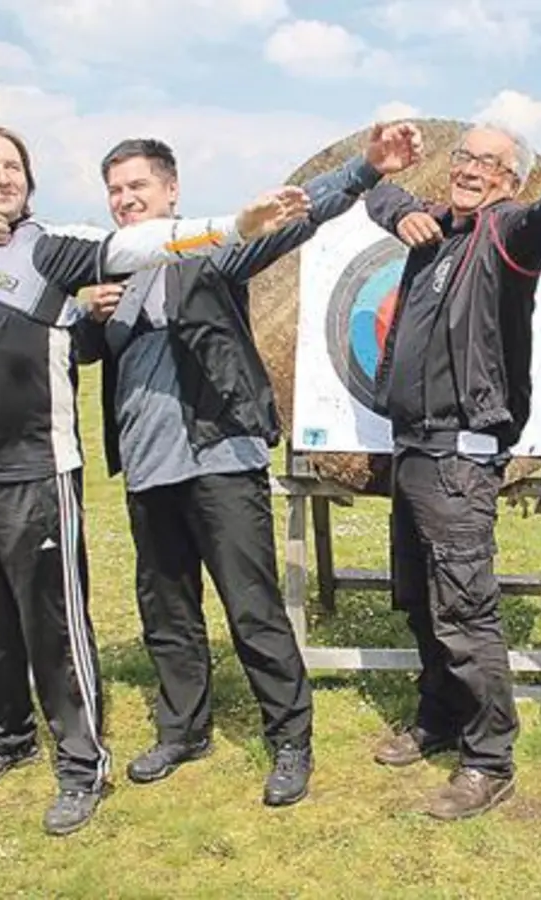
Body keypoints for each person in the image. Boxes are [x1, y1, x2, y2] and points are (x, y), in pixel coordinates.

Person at [0, 123, 309, 837]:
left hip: (45, 468)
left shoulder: (52, 248)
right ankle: (7, 737)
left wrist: (229, 225)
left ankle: (86, 766)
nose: (1, 177)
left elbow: (141, 245)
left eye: (13, 166)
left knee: (65, 626)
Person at [80, 122, 424, 807]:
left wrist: (363, 170)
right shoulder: (110, 266)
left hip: (219, 459)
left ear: (171, 190)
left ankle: (291, 740)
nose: (125, 200)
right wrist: (88, 313)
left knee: (252, 609)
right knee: (168, 612)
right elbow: (90, 351)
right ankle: (184, 730)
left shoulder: (207, 250)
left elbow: (287, 220)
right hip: (149, 471)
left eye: (137, 186)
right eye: (115, 190)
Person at [361, 121, 541, 820]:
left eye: (490, 164)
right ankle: (439, 718)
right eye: (464, 156)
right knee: (422, 599)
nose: (471, 169)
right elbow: (377, 196)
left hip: (461, 455)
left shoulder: (508, 234)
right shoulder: (432, 228)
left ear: (510, 183)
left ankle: (490, 761)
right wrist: (393, 199)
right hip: (415, 449)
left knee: (464, 613)